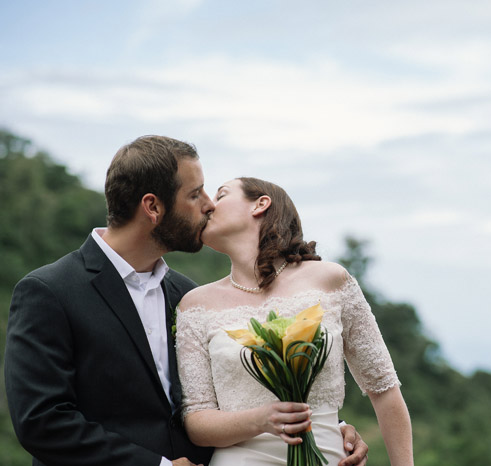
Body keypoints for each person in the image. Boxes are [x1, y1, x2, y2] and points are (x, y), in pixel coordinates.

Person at [4, 136, 369, 466]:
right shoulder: (49, 291)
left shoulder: (187, 295)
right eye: (195, 195)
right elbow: (42, 422)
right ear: (153, 207)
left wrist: (325, 425)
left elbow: (231, 387)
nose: (209, 205)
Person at [175, 177, 414, 465]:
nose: (209, 206)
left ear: (260, 204)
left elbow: (384, 388)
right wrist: (260, 420)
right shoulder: (195, 304)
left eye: (221, 195)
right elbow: (197, 422)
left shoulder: (330, 280)